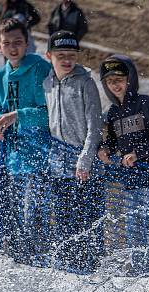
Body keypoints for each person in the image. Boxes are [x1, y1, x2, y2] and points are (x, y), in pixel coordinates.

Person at [97, 54, 149, 275]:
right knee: (134, 234)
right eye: (110, 81)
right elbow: (112, 141)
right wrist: (104, 150)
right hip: (132, 185)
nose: (115, 85)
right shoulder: (113, 113)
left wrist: (137, 153)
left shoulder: (144, 103)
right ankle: (139, 277)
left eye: (119, 79)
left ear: (130, 79)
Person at [0, 18, 51, 266]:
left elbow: (50, 111)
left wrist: (18, 115)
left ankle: (40, 261)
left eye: (18, 42)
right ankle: (22, 262)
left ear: (27, 43)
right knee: (15, 215)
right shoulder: (0, 74)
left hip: (40, 155)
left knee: (33, 213)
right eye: (6, 43)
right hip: (13, 158)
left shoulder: (39, 67)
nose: (12, 47)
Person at [43, 30, 103, 273]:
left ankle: (89, 269)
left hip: (83, 165)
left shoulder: (85, 82)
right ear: (49, 56)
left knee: (85, 223)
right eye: (61, 56)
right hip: (58, 164)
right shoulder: (47, 83)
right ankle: (66, 269)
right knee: (63, 221)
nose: (67, 60)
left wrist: (85, 159)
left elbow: (95, 126)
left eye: (71, 55)